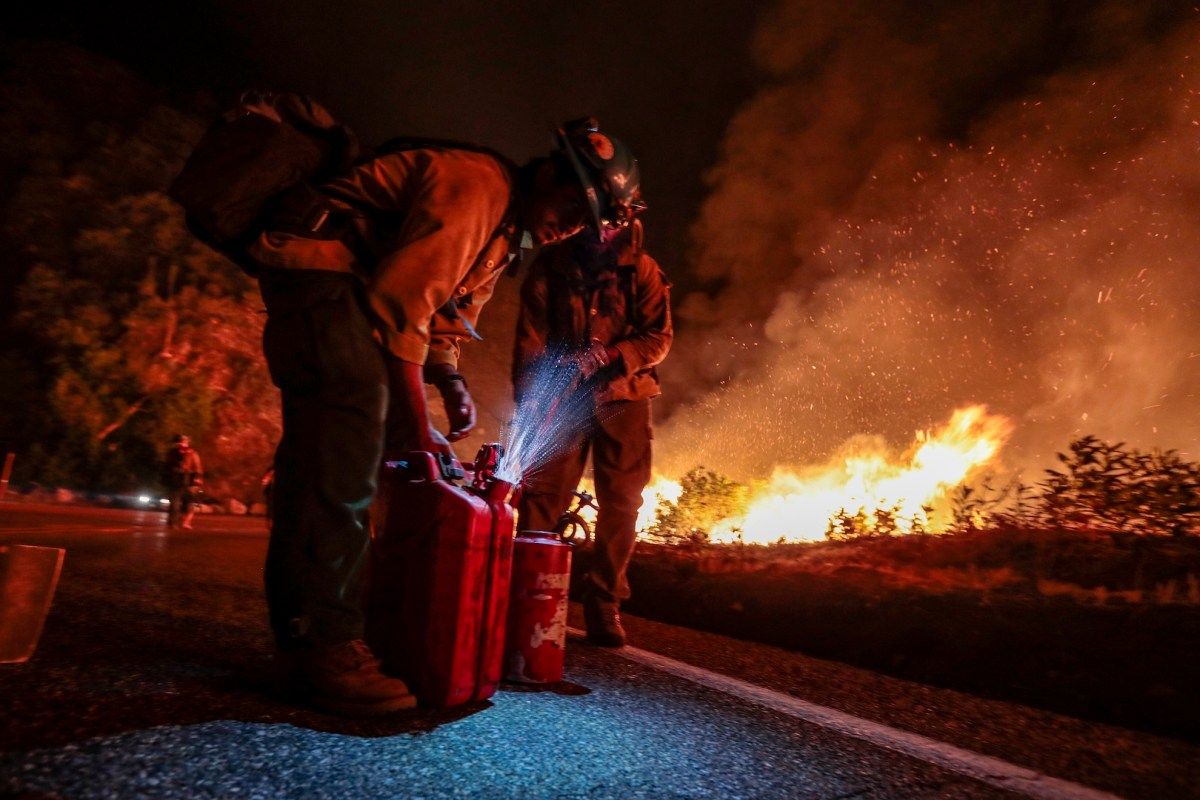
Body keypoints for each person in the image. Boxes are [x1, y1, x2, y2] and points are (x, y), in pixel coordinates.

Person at [250, 117, 643, 715]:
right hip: (319, 277)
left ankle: (333, 630)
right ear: (549, 172)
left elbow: (441, 321)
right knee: (348, 437)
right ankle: (320, 645)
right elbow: (399, 306)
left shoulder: (505, 235)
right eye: (570, 205)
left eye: (582, 223)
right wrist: (415, 425)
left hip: (352, 294)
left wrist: (450, 382)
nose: (566, 228)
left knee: (366, 453)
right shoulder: (480, 188)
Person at [513, 216, 672, 647]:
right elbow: (531, 338)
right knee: (544, 494)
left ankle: (604, 602)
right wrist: (529, 400)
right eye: (595, 219)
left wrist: (611, 356)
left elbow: (659, 337)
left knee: (621, 500)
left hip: (625, 395)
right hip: (562, 397)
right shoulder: (551, 267)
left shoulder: (643, 271)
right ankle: (525, 592)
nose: (602, 231)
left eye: (612, 222)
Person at [162, 434, 203, 530]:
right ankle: (174, 522)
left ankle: (184, 522)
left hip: (188, 480)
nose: (182, 443)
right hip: (177, 481)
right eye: (181, 441)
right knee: (175, 503)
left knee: (188, 503)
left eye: (184, 441)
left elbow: (198, 468)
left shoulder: (191, 453)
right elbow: (166, 466)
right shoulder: (173, 453)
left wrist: (198, 478)